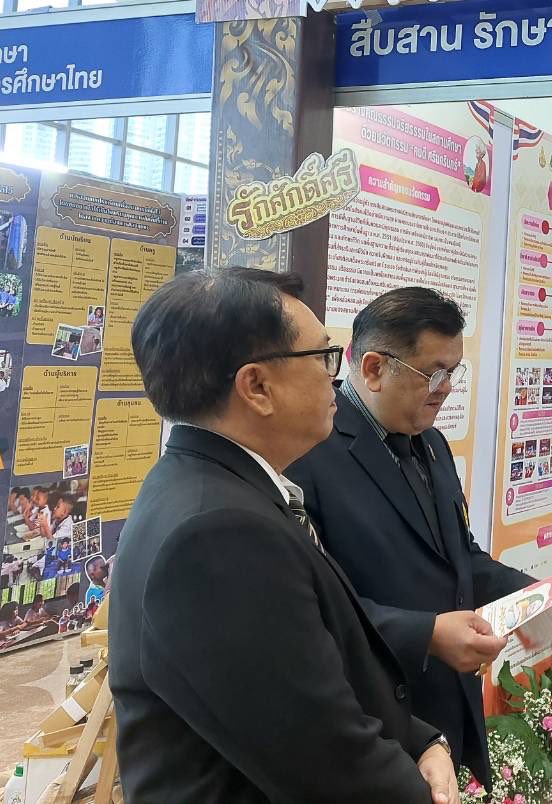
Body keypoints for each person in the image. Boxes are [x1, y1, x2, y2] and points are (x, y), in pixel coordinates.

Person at [111, 267, 458, 803]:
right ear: (256, 387)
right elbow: (326, 762)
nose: (334, 378)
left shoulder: (220, 490)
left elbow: (305, 679)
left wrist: (420, 739)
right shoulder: (216, 536)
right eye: (322, 357)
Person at [289, 286, 552, 791]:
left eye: (454, 372)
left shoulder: (432, 442)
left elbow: (460, 559)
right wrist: (425, 633)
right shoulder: (310, 454)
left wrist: (542, 599)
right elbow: (313, 608)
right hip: (373, 719)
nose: (446, 388)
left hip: (449, 710)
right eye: (434, 373)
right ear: (374, 368)